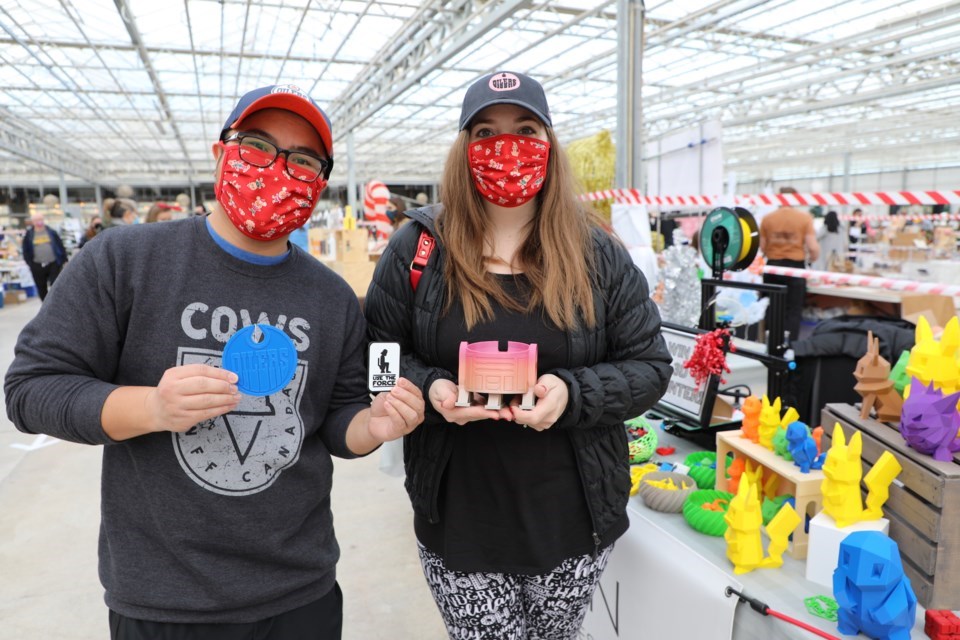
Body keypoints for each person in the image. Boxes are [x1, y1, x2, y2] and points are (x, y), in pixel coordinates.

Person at [5, 84, 426, 640]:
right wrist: (152, 406)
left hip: (300, 592)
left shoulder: (331, 297)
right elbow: (31, 390)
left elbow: (338, 419)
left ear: (320, 181)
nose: (276, 168)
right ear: (220, 152)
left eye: (301, 159)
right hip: (163, 599)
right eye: (256, 145)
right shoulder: (125, 260)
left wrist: (374, 427)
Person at [364, 71, 672, 639]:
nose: (505, 147)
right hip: (458, 518)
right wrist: (431, 390)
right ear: (463, 149)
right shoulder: (419, 247)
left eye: (524, 129)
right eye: (485, 132)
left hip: (572, 521)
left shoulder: (596, 252)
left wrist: (571, 394)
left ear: (549, 143)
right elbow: (378, 356)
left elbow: (650, 367)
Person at [759, 186, 820, 342]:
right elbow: (812, 247)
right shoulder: (804, 218)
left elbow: (762, 246)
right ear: (795, 199)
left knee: (772, 307)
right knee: (793, 310)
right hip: (795, 268)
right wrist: (812, 258)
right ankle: (790, 347)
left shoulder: (768, 219)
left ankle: (770, 343)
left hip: (772, 266)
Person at [21, 211, 68, 301]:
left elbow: (59, 245)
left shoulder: (51, 232)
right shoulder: (29, 234)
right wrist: (30, 263)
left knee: (55, 285)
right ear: (33, 222)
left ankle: (55, 304)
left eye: (40, 219)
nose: (39, 222)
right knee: (41, 287)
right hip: (37, 264)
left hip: (53, 263)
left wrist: (64, 259)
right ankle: (45, 306)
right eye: (36, 220)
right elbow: (25, 249)